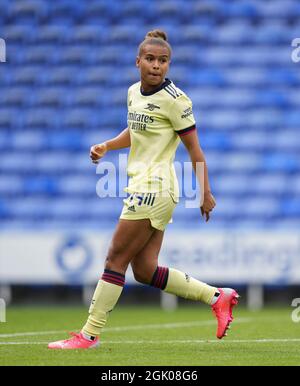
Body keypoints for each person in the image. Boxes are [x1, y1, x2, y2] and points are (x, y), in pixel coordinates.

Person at [48, 29, 239, 350]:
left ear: (169, 65)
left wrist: (205, 192)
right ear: (138, 61)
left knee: (114, 259)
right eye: (150, 59)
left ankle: (88, 335)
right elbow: (136, 131)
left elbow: (195, 151)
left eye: (163, 61)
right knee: (146, 270)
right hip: (143, 186)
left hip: (156, 188)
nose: (156, 65)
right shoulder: (134, 92)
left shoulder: (177, 101)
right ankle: (217, 296)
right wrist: (107, 146)